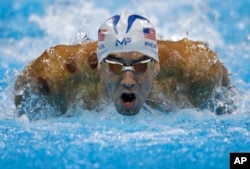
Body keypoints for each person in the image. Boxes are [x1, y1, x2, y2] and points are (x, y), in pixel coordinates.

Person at [14, 11, 233, 120]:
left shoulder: (197, 70)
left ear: (156, 67)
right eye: (115, 66)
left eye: (140, 67)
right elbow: (20, 101)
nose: (128, 82)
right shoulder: (58, 75)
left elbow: (228, 104)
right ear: (99, 69)